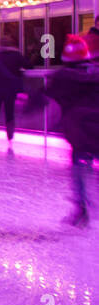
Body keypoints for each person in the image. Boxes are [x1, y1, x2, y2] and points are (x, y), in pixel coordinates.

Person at [44, 33, 99, 227]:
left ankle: (81, 209)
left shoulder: (62, 77)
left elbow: (44, 96)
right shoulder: (96, 73)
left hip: (79, 133)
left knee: (79, 169)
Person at [0, 36, 26, 143]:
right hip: (10, 88)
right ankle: (10, 136)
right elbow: (28, 65)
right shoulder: (17, 55)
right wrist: (19, 72)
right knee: (9, 112)